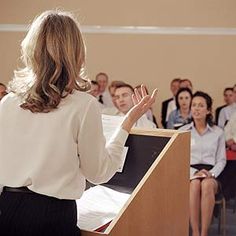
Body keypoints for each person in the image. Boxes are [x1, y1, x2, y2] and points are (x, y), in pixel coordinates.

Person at [0, 10, 158, 236]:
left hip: (7, 210)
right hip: (51, 215)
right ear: (76, 52)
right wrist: (128, 122)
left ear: (32, 49)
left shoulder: (7, 103)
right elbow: (98, 172)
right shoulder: (83, 105)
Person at [180, 91, 226, 236]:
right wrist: (194, 173)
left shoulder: (218, 132)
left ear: (208, 110)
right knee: (194, 184)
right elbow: (180, 159)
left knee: (206, 184)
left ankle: (204, 233)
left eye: (201, 105)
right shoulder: (183, 131)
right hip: (190, 172)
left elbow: (221, 160)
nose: (196, 108)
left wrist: (211, 174)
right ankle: (195, 232)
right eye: (194, 105)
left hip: (211, 173)